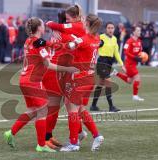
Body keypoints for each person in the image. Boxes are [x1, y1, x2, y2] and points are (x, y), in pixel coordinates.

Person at [3, 17, 79, 152]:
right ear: (39, 28)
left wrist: (69, 45)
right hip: (34, 81)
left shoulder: (30, 40)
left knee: (33, 111)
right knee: (43, 111)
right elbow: (48, 64)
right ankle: (41, 145)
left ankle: (11, 133)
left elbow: (49, 44)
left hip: (24, 79)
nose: (45, 27)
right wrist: (68, 69)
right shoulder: (38, 42)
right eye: (43, 25)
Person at [60, 13, 104, 152]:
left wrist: (69, 42)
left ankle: (74, 143)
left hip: (80, 78)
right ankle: (95, 135)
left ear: (88, 24)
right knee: (79, 108)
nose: (82, 23)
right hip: (90, 78)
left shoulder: (83, 39)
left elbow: (71, 46)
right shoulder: (96, 38)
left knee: (73, 110)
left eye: (85, 21)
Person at [90, 22, 124, 112]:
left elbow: (116, 52)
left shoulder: (114, 39)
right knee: (109, 82)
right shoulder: (101, 37)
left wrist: (121, 64)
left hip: (109, 62)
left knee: (100, 84)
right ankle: (111, 106)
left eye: (112, 28)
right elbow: (94, 48)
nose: (110, 29)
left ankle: (93, 106)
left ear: (114, 29)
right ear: (106, 29)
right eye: (108, 28)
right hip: (101, 62)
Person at [112, 26, 145, 101]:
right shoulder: (129, 41)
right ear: (134, 32)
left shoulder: (139, 41)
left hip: (134, 64)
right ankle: (135, 96)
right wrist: (134, 57)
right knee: (137, 77)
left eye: (140, 31)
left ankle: (116, 73)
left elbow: (140, 52)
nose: (139, 32)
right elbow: (126, 52)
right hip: (129, 64)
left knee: (129, 80)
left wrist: (141, 57)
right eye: (138, 30)